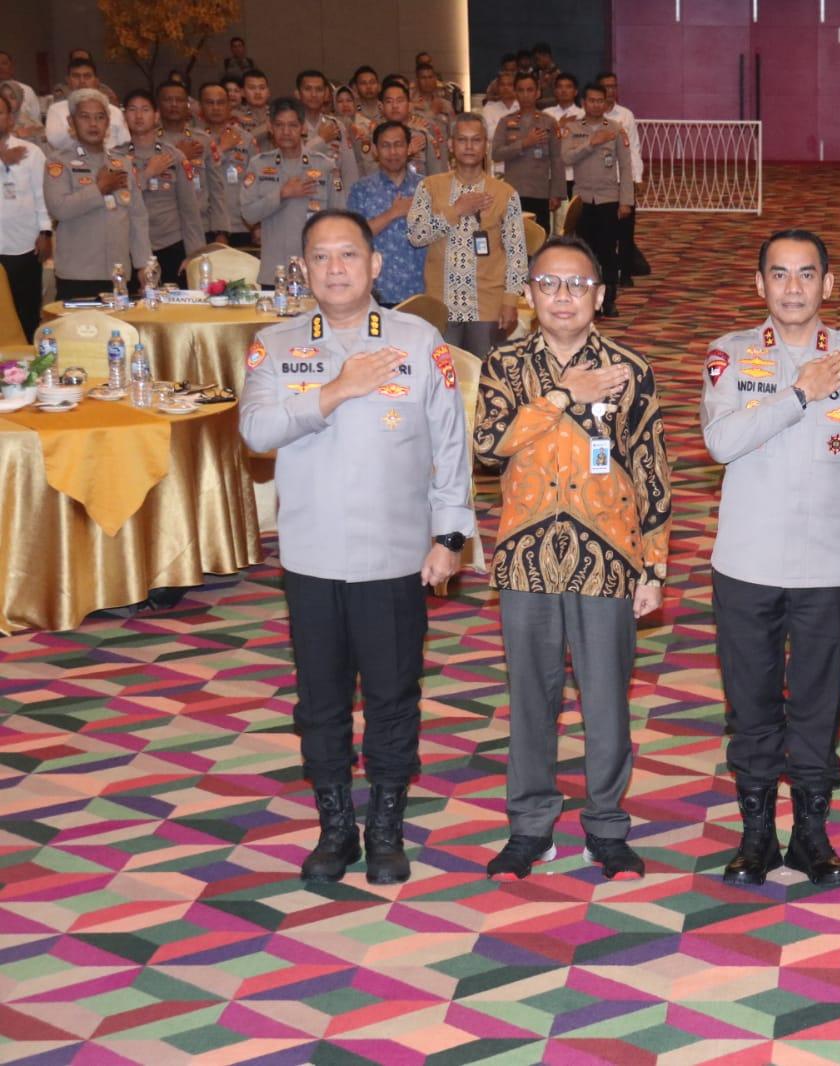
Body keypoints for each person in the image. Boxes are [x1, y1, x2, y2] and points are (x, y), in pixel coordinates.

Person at [238, 208, 472, 886]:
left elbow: (450, 445)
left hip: (395, 555)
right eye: (320, 257)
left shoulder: (416, 339)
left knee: (394, 696)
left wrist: (449, 535)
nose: (334, 268)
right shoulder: (276, 344)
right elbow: (256, 431)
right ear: (303, 269)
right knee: (320, 701)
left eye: (348, 255)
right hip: (312, 555)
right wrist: (334, 392)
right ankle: (336, 827)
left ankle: (386, 826)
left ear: (374, 265)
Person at [475, 235, 672, 881]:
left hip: (608, 556)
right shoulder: (504, 365)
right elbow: (488, 445)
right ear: (529, 295)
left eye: (578, 284)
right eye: (549, 284)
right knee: (530, 699)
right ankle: (530, 828)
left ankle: (607, 827)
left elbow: (651, 468)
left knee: (606, 702)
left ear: (600, 294)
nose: (564, 296)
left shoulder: (629, 368)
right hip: (526, 555)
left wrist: (653, 565)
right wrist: (563, 394)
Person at [701, 228, 840, 888]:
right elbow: (721, 441)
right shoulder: (730, 355)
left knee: (819, 705)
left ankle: (811, 835)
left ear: (827, 284)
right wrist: (800, 393)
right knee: (750, 706)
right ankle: (756, 835)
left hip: (829, 566)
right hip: (747, 562)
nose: (792, 287)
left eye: (806, 274)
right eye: (778, 274)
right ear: (759, 284)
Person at [405, 113, 525, 354]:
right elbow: (416, 236)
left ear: (486, 146)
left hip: (488, 304)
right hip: (441, 304)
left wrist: (510, 301)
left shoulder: (505, 193)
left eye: (476, 140)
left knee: (486, 371)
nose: (469, 146)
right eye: (462, 140)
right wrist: (456, 211)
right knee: (444, 372)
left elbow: (517, 254)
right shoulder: (429, 186)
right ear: (451, 145)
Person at [44, 88, 150, 302]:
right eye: (85, 117)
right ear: (71, 122)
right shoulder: (59, 162)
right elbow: (59, 209)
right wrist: (99, 189)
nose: (93, 124)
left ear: (108, 123)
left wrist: (143, 265)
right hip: (77, 275)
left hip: (119, 273)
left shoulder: (122, 163)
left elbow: (137, 217)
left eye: (100, 117)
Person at [240, 97, 344, 286]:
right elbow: (248, 214)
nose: (286, 132)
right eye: (279, 125)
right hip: (274, 272)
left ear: (303, 128)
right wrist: (281, 194)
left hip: (316, 272)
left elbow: (339, 219)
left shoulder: (326, 166)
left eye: (292, 125)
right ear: (270, 127)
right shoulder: (258, 165)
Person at [563, 84, 634, 318]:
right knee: (584, 252)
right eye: (591, 100)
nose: (596, 104)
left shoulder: (616, 129)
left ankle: (609, 299)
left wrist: (626, 201)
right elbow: (566, 157)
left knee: (607, 251)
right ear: (584, 102)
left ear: (606, 102)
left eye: (600, 100)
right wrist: (591, 143)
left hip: (608, 198)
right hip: (582, 198)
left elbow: (626, 168)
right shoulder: (573, 128)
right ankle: (586, 300)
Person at [123, 89, 203, 285]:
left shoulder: (173, 156)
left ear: (156, 116)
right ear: (125, 116)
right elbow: (120, 198)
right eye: (132, 110)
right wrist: (147, 173)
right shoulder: (116, 158)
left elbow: (189, 209)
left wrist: (194, 254)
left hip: (170, 245)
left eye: (145, 110)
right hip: (129, 247)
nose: (139, 116)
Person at [347, 121, 426, 306]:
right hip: (374, 292)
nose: (393, 152)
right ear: (375, 150)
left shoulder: (427, 187)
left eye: (398, 145)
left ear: (409, 148)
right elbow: (353, 237)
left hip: (419, 292)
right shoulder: (361, 189)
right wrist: (393, 213)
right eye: (385, 146)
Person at [0, 90, 50, 338]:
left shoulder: (31, 152)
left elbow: (42, 194)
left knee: (26, 313)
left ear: (10, 119)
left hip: (24, 246)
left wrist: (46, 232)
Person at [493, 72, 561, 235]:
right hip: (513, 191)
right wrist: (524, 143)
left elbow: (557, 159)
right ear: (515, 93)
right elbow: (496, 154)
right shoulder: (505, 122)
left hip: (540, 192)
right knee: (513, 238)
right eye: (521, 90)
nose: (525, 95)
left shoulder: (549, 122)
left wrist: (556, 193)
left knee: (540, 238)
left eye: (530, 90)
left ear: (538, 92)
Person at [596, 71, 646, 287]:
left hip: (623, 178)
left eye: (613, 86)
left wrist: (637, 176)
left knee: (626, 229)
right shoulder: (589, 116)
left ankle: (625, 273)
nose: (610, 91)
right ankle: (604, 270)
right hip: (599, 181)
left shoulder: (626, 115)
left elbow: (634, 147)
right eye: (606, 86)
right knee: (603, 228)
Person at [197, 81, 252, 246]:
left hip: (241, 223)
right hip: (206, 224)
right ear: (201, 107)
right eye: (210, 103)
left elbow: (254, 182)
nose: (216, 108)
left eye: (220, 102)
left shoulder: (246, 139)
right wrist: (221, 149)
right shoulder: (194, 140)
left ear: (229, 106)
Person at [45, 56, 128, 152]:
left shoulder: (114, 111)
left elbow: (125, 143)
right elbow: (53, 141)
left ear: (96, 81)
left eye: (87, 76)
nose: (82, 81)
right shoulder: (56, 109)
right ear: (68, 80)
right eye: (76, 76)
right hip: (70, 159)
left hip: (111, 158)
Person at [543, 73, 583, 198]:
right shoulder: (546, 114)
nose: (564, 90)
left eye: (568, 87)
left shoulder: (583, 115)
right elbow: (540, 140)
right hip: (551, 174)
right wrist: (559, 125)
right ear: (555, 91)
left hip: (577, 174)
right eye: (560, 87)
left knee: (575, 209)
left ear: (575, 91)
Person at [0, 50, 41, 124]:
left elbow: (36, 119)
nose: (0, 67)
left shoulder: (27, 90)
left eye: (4, 63)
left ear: (12, 67)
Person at [532, 42, 561, 110]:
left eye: (538, 59)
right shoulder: (536, 73)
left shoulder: (557, 75)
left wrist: (536, 102)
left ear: (547, 56)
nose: (536, 62)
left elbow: (558, 99)